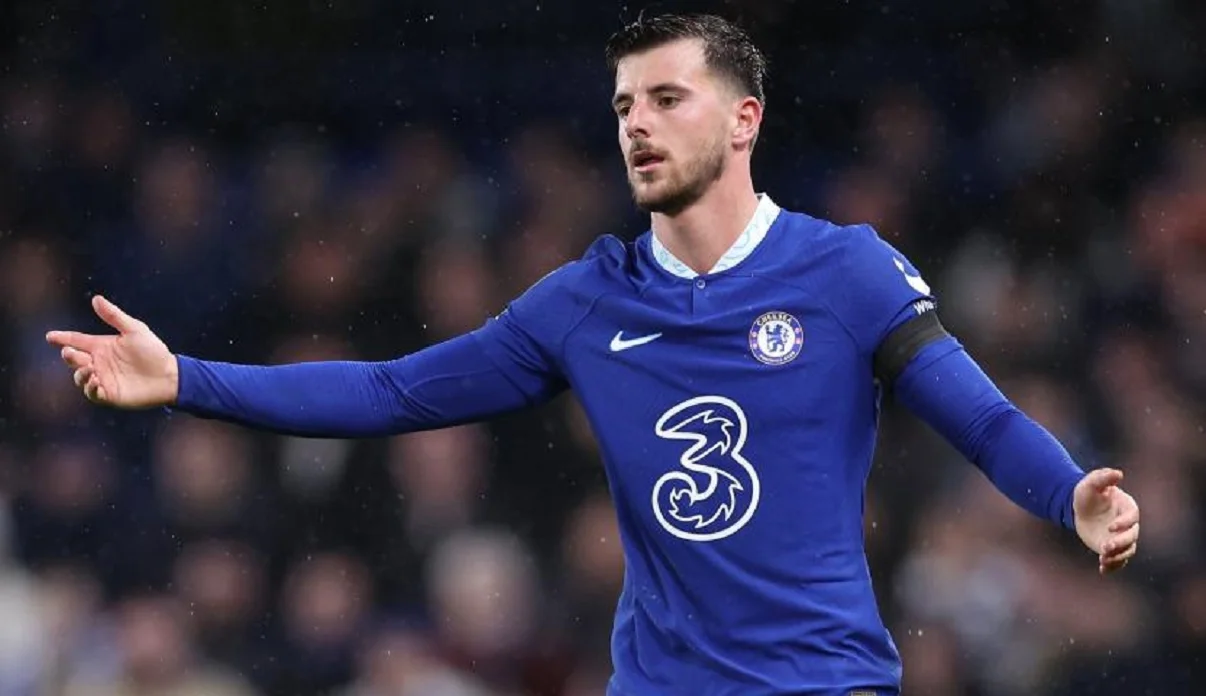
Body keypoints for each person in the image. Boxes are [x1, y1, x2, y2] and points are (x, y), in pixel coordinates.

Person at [47, 13, 1139, 696]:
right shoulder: (586, 300)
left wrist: (1068, 496)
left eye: (666, 99)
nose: (637, 126)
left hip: (819, 681)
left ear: (744, 119)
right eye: (623, 106)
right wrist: (185, 379)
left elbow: (981, 418)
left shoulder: (844, 271)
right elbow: (391, 391)